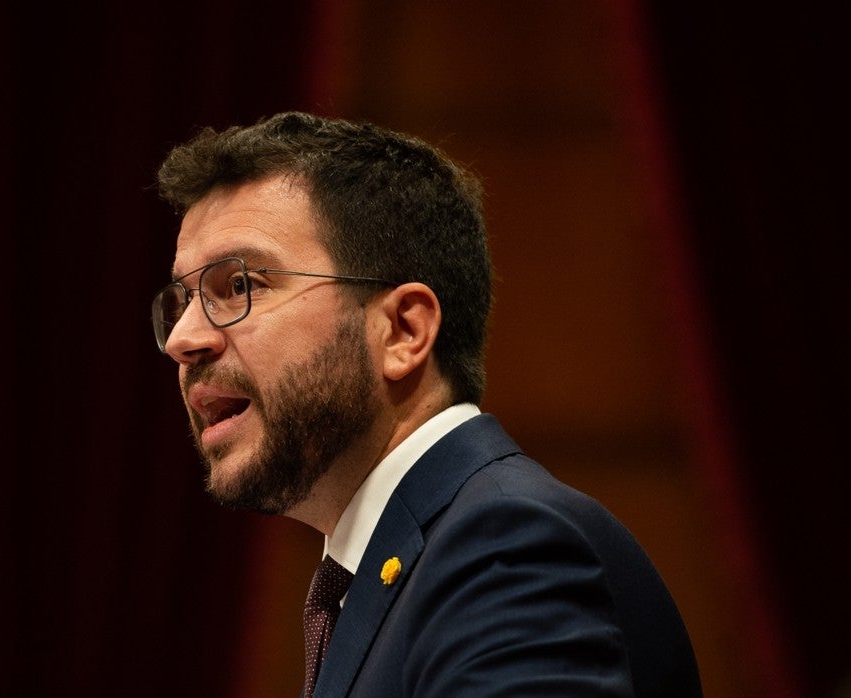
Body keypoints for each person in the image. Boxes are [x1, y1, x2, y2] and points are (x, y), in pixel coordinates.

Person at [150, 111, 701, 697]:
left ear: (404, 332)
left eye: (239, 286)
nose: (184, 339)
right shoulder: (402, 563)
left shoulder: (505, 547)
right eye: (183, 298)